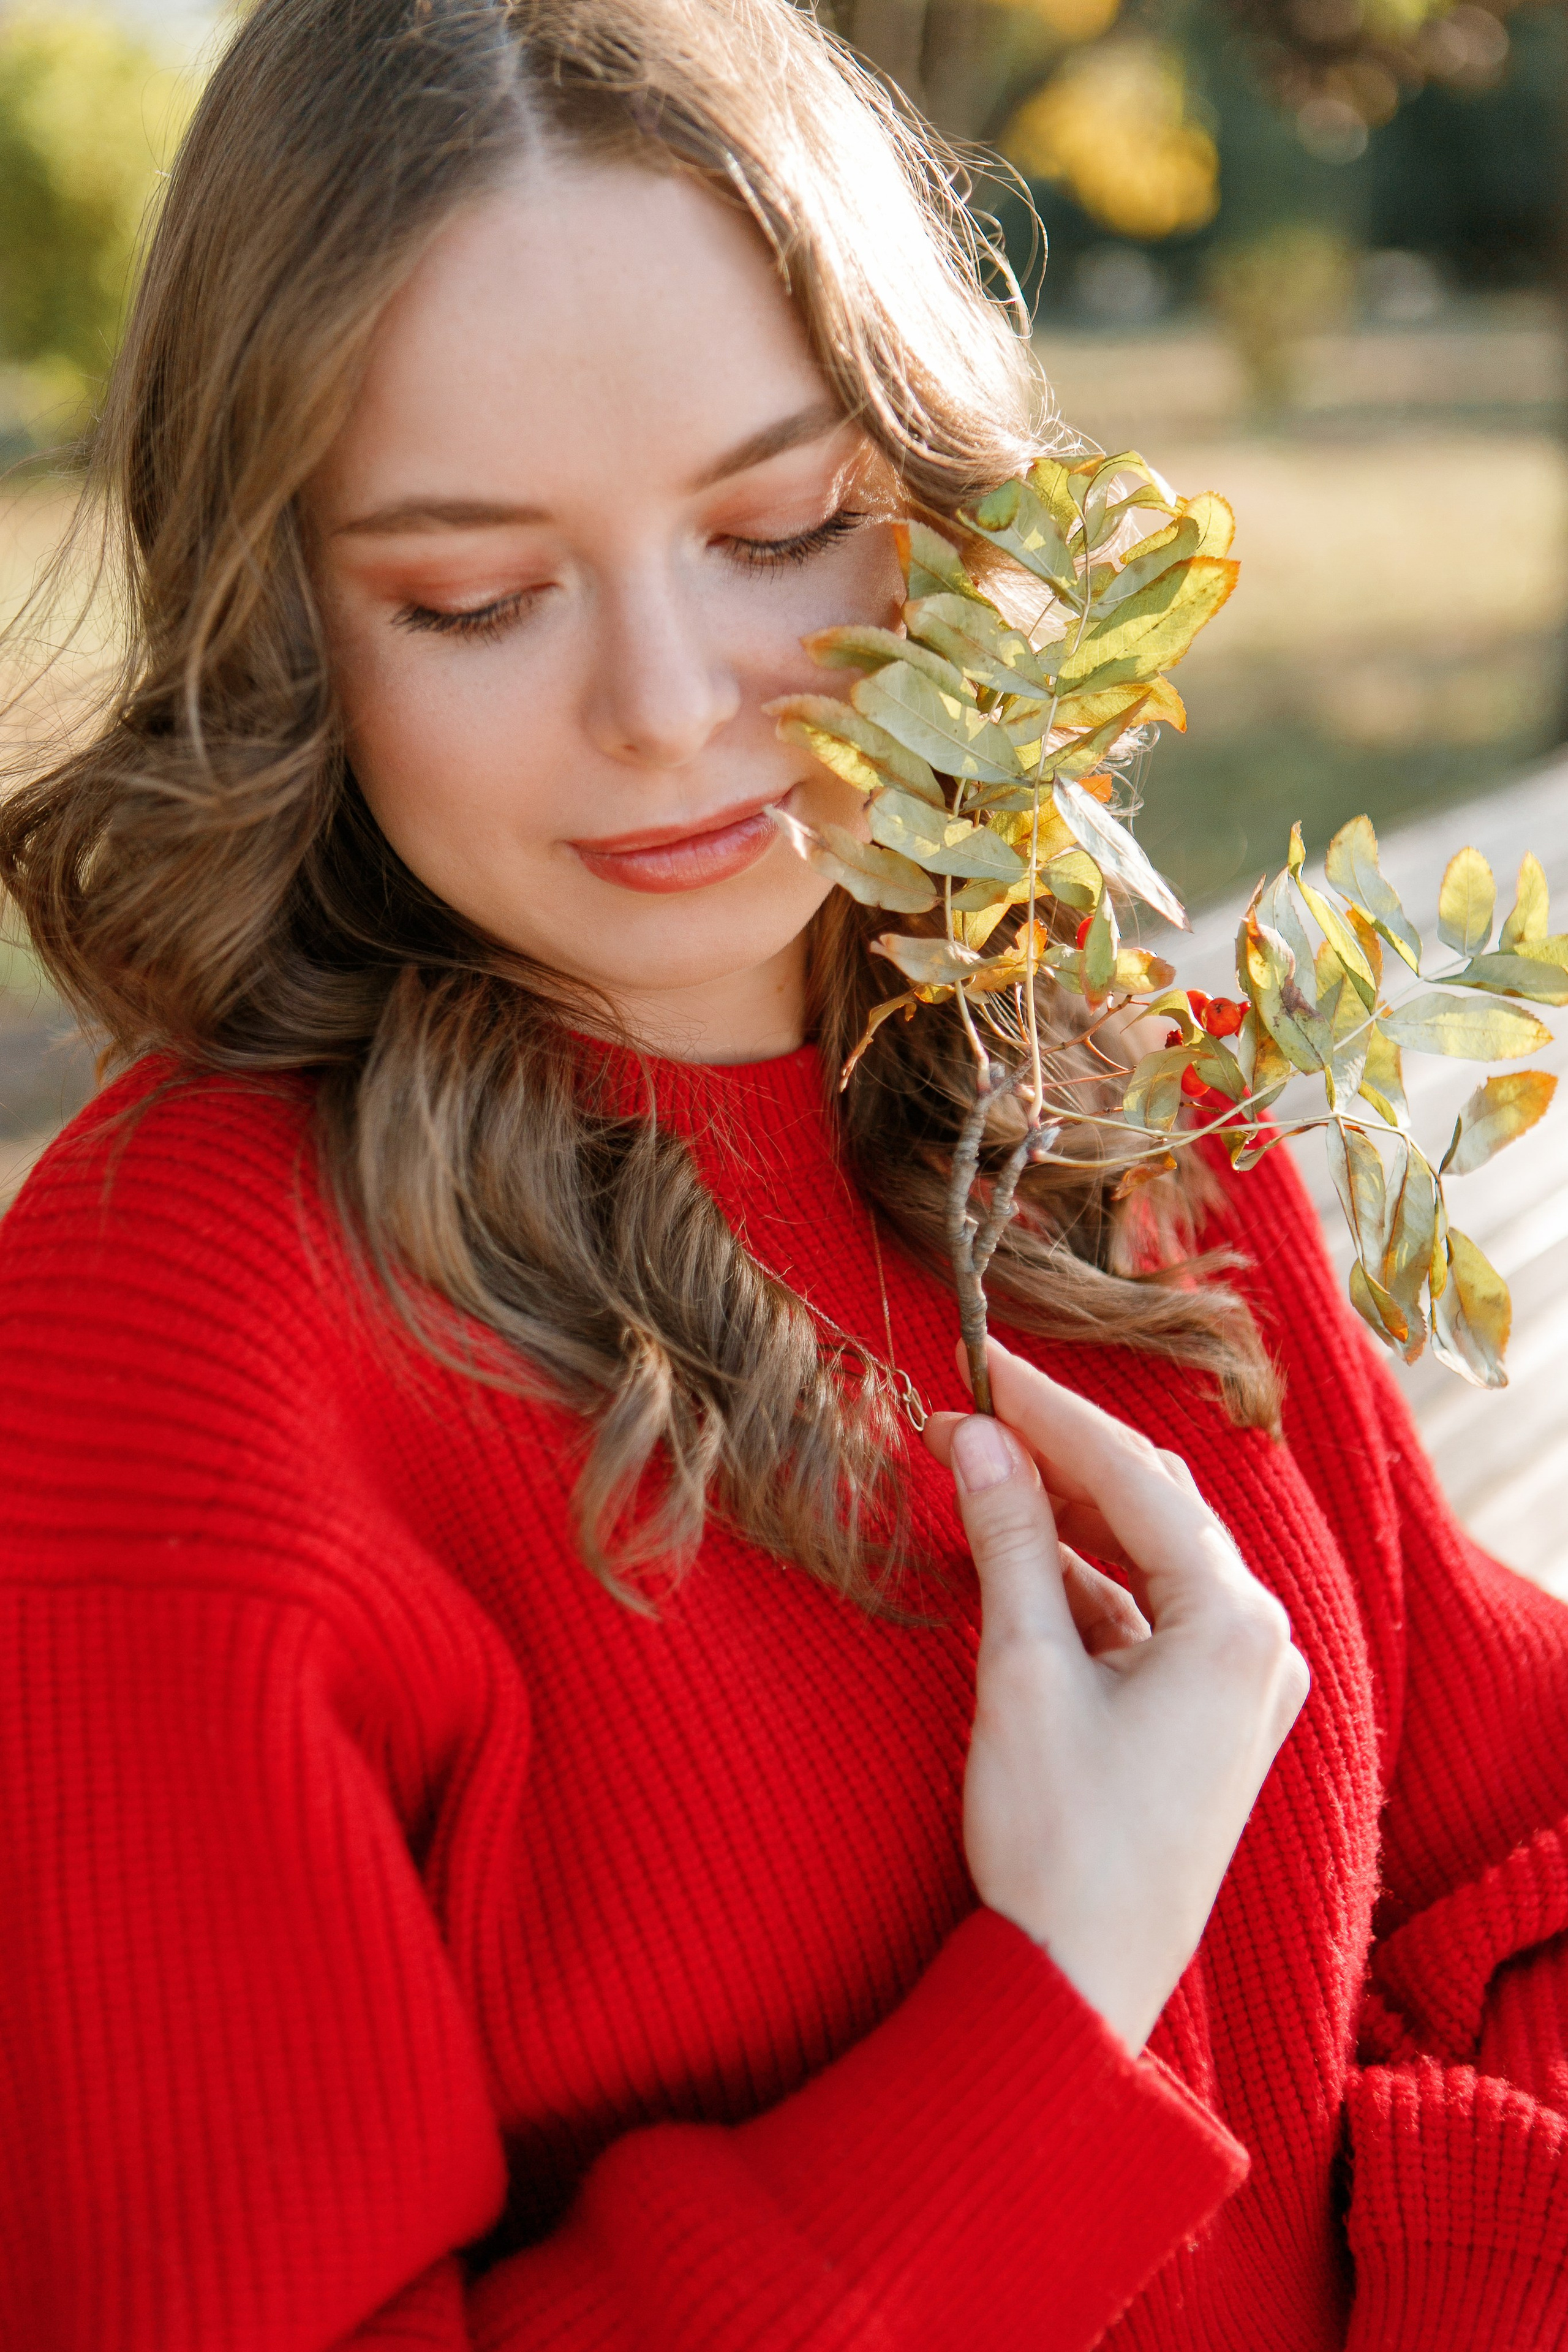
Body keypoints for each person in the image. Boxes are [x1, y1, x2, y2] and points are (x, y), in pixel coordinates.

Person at [1, 2, 1565, 2345]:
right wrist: (1052, 2008)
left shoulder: (1097, 1084)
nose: (667, 701)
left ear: (930, 498)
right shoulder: (169, 1359)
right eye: (473, 597)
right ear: (286, 615)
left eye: (776, 529)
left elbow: (1510, 1855)